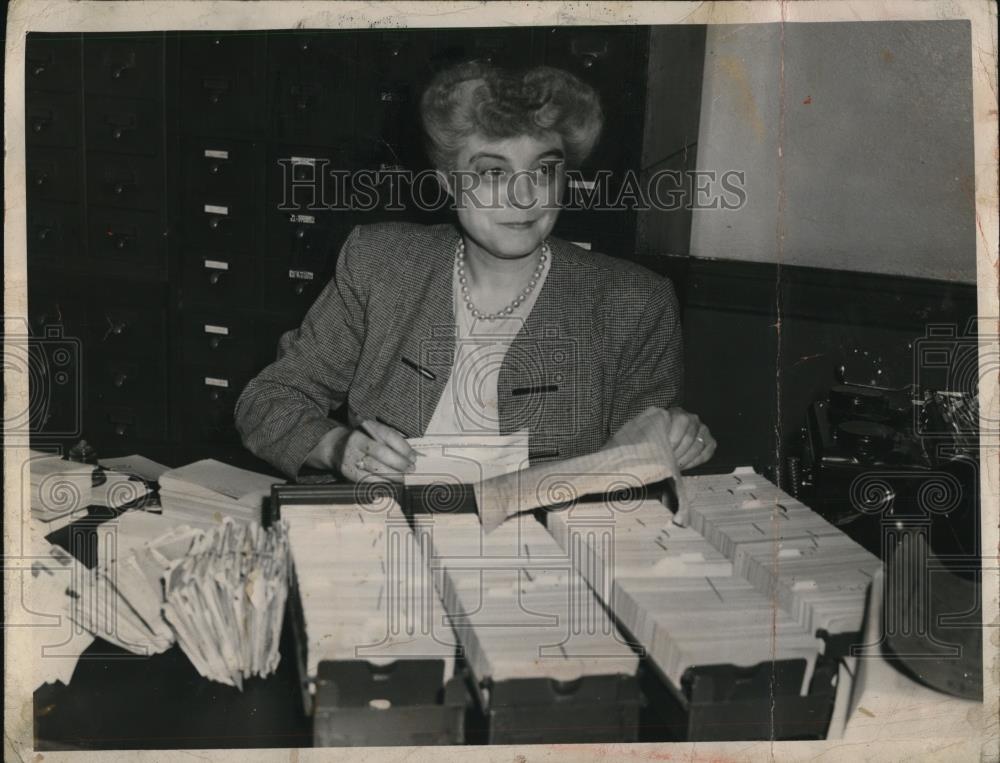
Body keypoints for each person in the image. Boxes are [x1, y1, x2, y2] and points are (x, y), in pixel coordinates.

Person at [235, 60, 716, 482]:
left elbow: (640, 467)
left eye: (544, 171)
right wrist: (337, 447)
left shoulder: (634, 303)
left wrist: (673, 439)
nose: (525, 197)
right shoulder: (381, 263)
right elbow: (268, 400)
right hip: (384, 538)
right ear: (448, 182)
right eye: (493, 173)